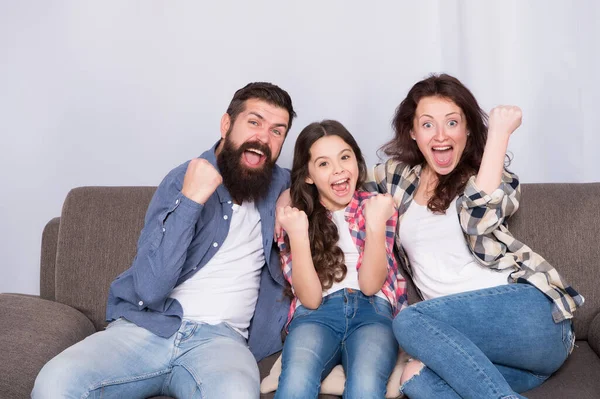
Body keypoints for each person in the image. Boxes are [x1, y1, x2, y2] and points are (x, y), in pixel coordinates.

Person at [32, 82, 296, 398]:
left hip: (221, 343)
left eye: (277, 131)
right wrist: (192, 199)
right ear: (226, 124)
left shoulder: (285, 186)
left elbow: (343, 190)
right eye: (254, 122)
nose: (263, 138)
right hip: (146, 328)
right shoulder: (181, 179)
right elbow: (150, 287)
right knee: (56, 382)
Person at [367, 73, 584, 399]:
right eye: (427, 125)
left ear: (468, 128)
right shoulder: (396, 178)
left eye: (452, 122)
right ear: (412, 132)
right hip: (487, 352)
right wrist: (292, 191)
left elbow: (477, 221)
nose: (440, 135)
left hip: (533, 320)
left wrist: (498, 134)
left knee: (409, 322)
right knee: (413, 377)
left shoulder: (494, 176)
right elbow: (340, 178)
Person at [273, 120, 408, 399]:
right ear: (308, 175)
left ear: (357, 161)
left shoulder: (376, 206)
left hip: (373, 311)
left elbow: (371, 285)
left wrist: (374, 224)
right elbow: (309, 299)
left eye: (345, 157)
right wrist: (298, 235)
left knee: (366, 384)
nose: (338, 169)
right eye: (323, 164)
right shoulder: (294, 218)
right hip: (314, 315)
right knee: (296, 378)